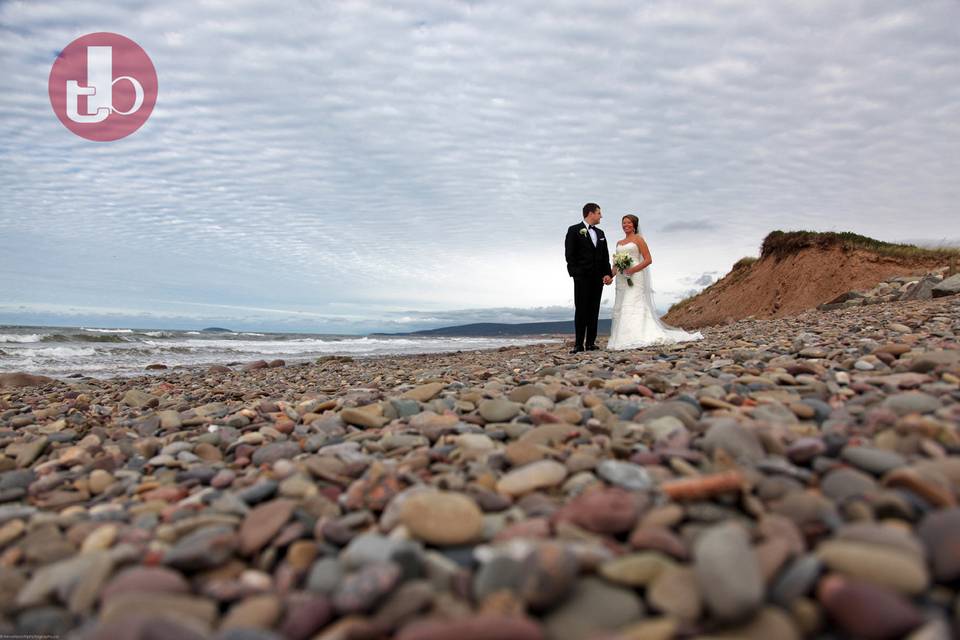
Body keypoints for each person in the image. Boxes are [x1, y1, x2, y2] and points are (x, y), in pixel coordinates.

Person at [607, 214, 703, 350]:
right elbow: (616, 264)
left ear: (634, 225)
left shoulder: (639, 240)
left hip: (635, 276)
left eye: (628, 223)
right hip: (622, 279)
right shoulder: (619, 243)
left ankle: (635, 336)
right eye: (623, 223)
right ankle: (621, 338)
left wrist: (633, 270)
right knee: (622, 304)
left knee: (632, 302)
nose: (625, 225)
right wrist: (610, 276)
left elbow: (648, 259)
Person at [565, 203, 613, 353]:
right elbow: (569, 255)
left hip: (598, 278)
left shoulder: (601, 233)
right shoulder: (574, 230)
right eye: (599, 213)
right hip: (581, 278)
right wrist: (576, 274)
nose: (601, 216)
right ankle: (578, 344)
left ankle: (591, 343)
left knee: (594, 310)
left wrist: (607, 274)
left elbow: (605, 256)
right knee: (581, 310)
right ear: (590, 213)